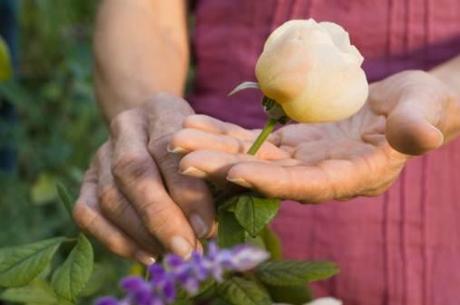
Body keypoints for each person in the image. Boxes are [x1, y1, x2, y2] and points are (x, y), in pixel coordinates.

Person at [73, 1, 460, 304]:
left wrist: (446, 96)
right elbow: (146, 9)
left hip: (429, 229)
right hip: (206, 168)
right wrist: (148, 123)